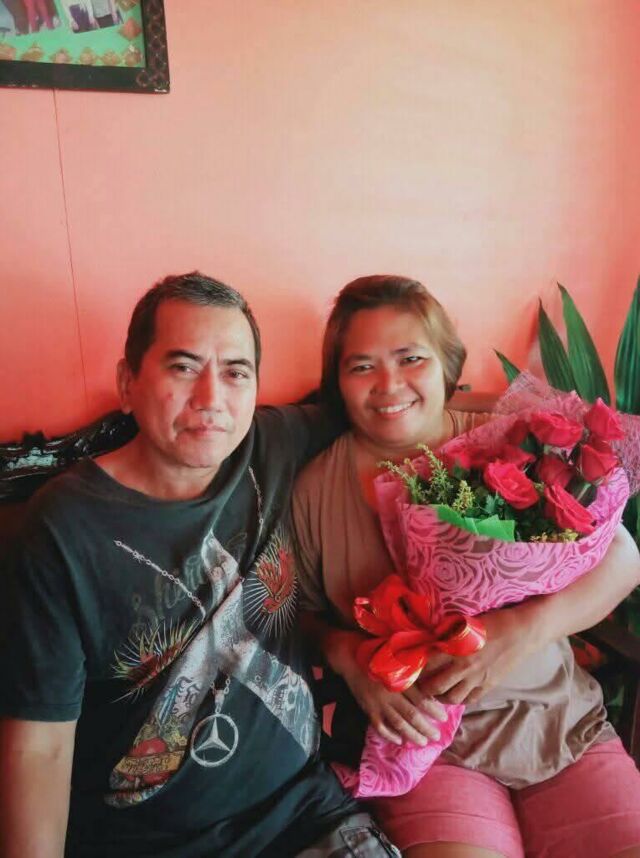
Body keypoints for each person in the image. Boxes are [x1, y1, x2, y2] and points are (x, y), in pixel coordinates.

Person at [0, 272, 400, 858]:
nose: (212, 398)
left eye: (236, 372)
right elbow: (39, 747)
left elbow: (401, 408)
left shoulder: (272, 443)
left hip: (302, 816)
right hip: (147, 845)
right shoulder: (63, 530)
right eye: (183, 367)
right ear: (128, 382)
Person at [292, 274, 640, 858]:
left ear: (446, 365)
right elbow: (296, 614)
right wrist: (349, 657)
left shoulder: (513, 445)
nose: (388, 384)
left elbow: (624, 558)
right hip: (423, 746)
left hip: (560, 725)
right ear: (338, 382)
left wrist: (520, 630)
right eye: (361, 366)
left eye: (411, 358)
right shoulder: (314, 491)